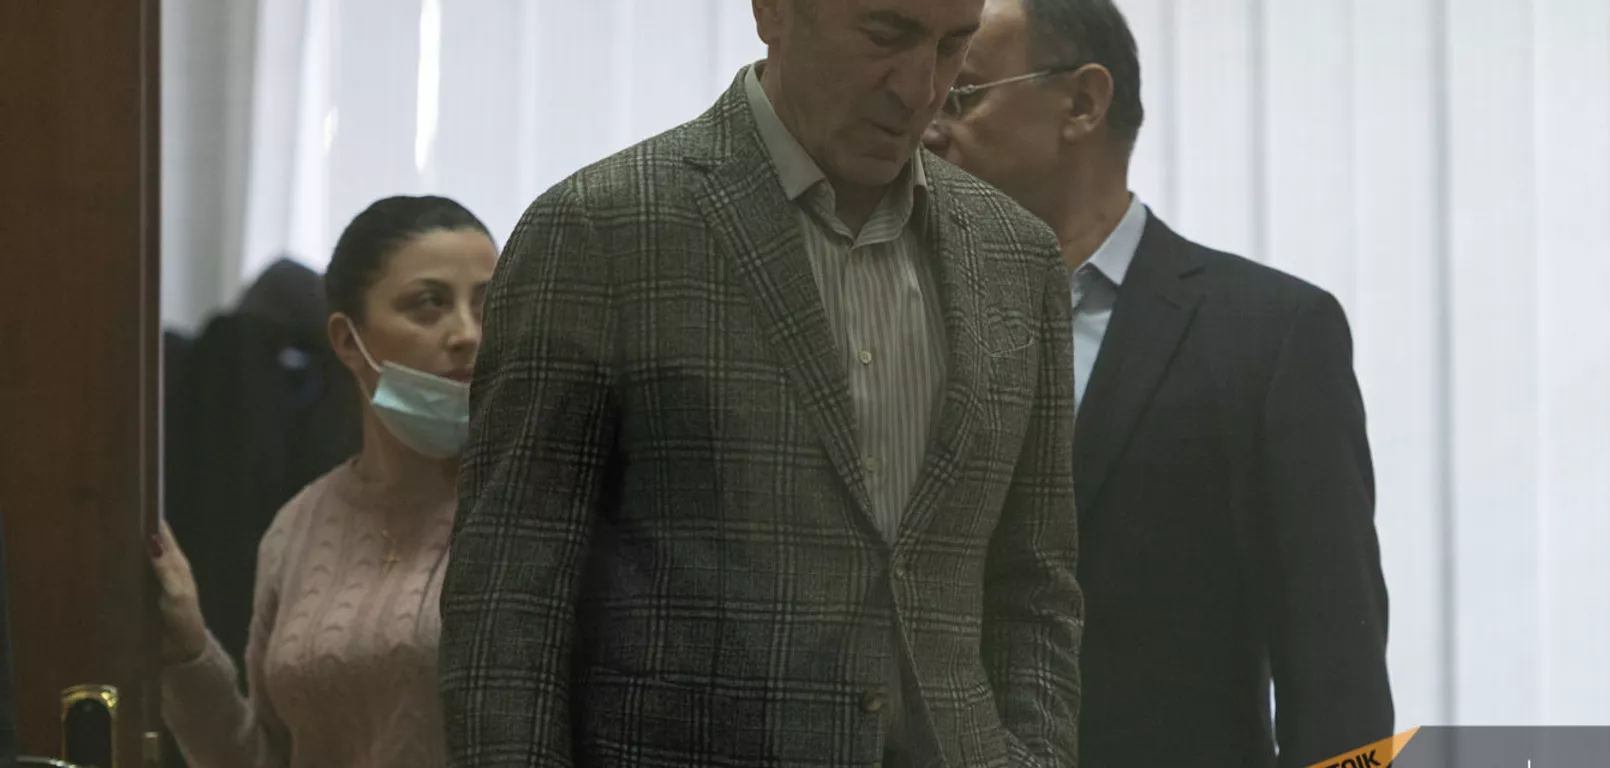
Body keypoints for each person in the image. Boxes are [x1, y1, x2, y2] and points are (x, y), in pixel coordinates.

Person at [436, 0, 1083, 765]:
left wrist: (1035, 754)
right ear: (773, 11)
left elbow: (1033, 584)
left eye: (952, 48)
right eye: (886, 34)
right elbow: (510, 607)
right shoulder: (601, 231)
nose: (921, 89)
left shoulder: (1018, 259)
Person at [920, 0, 1394, 765]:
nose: (926, 124)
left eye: (959, 95)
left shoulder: (1266, 337)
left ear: (1082, 102)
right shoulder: (897, 311)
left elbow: (1340, 681)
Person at [150, 195, 497, 768]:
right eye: (429, 304)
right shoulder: (298, 528)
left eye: (488, 305)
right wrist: (189, 655)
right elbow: (264, 758)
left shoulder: (530, 509)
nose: (468, 333)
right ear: (347, 340)